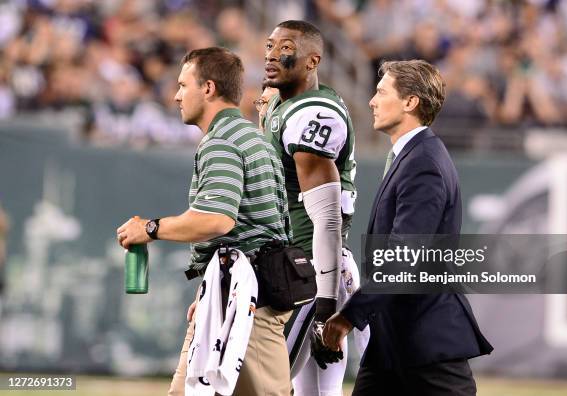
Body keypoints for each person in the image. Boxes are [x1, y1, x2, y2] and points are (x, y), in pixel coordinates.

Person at [116, 47, 293, 396]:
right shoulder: (250, 136)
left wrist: (150, 229)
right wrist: (215, 286)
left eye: (184, 85)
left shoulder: (222, 140)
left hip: (249, 299)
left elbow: (217, 219)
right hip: (238, 290)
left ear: (208, 88)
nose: (177, 95)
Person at [323, 60, 493, 395]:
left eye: (381, 91)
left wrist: (349, 315)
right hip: (394, 339)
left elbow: (403, 255)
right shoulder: (414, 156)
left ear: (410, 102)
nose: (371, 100)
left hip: (425, 337)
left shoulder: (423, 163)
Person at [260, 19, 364, 396]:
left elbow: (327, 220)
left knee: (261, 384)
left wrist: (324, 306)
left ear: (312, 60)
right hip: (293, 265)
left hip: (309, 269)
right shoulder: (280, 104)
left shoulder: (314, 114)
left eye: (285, 48)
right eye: (269, 45)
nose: (272, 55)